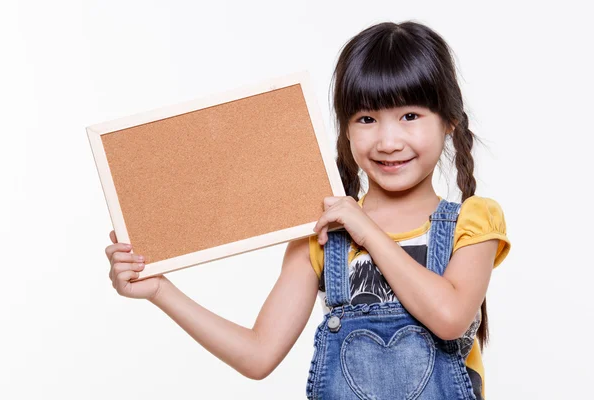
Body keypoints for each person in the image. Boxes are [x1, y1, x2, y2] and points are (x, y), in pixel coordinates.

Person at [105, 20, 511, 399]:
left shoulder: (473, 221)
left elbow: (450, 316)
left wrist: (367, 230)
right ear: (345, 129)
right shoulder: (321, 236)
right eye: (367, 118)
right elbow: (257, 355)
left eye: (410, 116)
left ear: (449, 122)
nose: (388, 141)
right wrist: (160, 289)